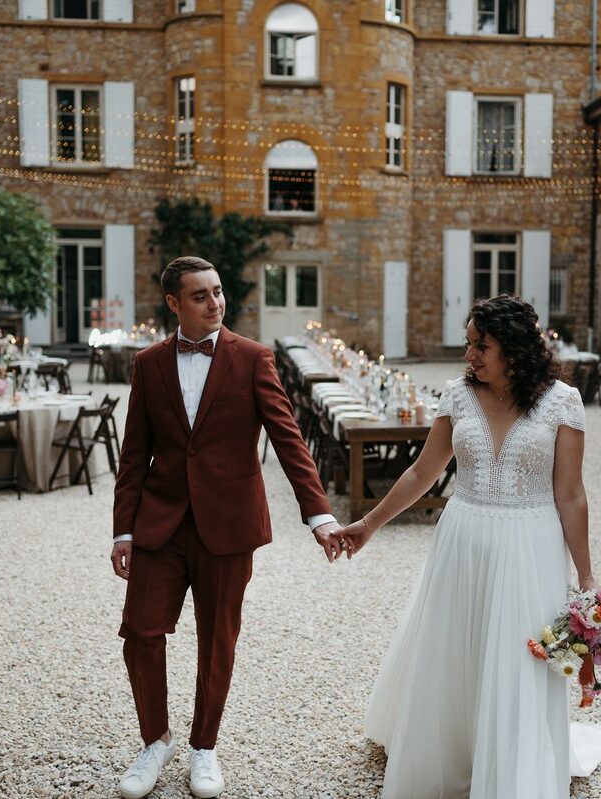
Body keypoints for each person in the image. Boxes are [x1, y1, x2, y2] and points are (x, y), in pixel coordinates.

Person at [337, 295, 601, 798]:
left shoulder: (561, 402)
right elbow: (423, 472)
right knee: (455, 647)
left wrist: (588, 577)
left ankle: (512, 766)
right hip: (462, 537)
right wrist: (369, 524)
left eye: (480, 345)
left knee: (519, 658)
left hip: (531, 544)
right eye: (468, 344)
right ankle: (453, 751)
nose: (470, 355)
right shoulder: (456, 396)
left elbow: (570, 495)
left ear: (514, 348)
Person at [110, 256, 344, 799]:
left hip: (228, 526)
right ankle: (155, 739)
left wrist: (320, 515)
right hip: (160, 525)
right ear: (174, 304)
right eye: (200, 296)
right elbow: (134, 454)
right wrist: (123, 531)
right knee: (141, 632)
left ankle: (204, 748)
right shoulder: (148, 364)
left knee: (218, 641)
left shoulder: (254, 359)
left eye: (217, 292)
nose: (214, 302)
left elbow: (289, 440)